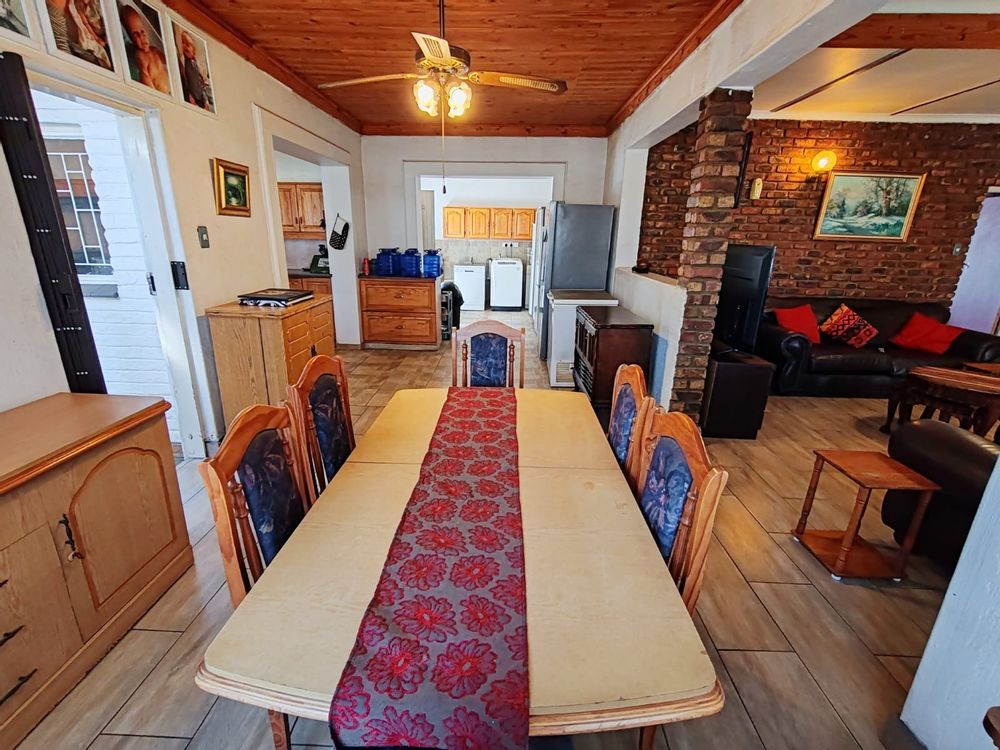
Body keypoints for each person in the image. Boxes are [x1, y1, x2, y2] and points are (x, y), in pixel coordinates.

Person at [120, 5, 169, 93]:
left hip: (169, 92)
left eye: (142, 31)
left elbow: (169, 62)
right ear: (130, 38)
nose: (141, 36)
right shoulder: (140, 56)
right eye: (135, 34)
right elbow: (145, 76)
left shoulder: (154, 50)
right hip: (160, 94)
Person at [177, 29, 212, 110]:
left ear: (193, 50)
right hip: (192, 96)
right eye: (183, 43)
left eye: (188, 45)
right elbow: (185, 80)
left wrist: (205, 100)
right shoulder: (183, 61)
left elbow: (201, 83)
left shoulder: (195, 63)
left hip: (201, 95)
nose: (185, 46)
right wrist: (190, 94)